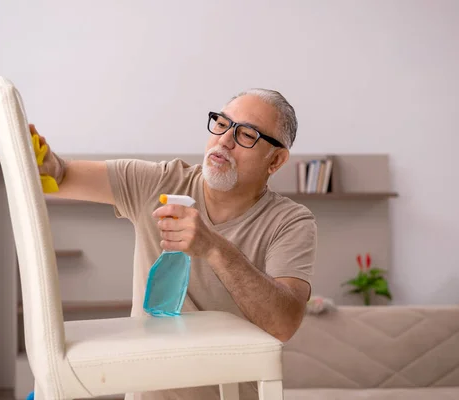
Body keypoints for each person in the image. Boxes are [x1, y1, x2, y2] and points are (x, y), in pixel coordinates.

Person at [30, 88, 317, 400]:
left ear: (275, 160)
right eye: (222, 123)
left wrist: (214, 248)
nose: (224, 140)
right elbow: (62, 175)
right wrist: (45, 163)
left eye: (246, 134)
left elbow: (284, 324)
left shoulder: (291, 222)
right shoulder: (158, 181)